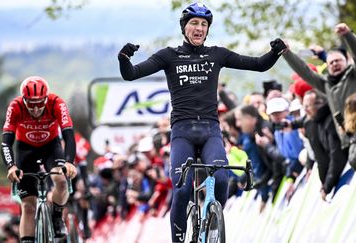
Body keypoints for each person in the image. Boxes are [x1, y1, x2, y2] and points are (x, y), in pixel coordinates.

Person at [117, 2, 287, 242]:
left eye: (203, 24)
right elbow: (131, 73)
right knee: (183, 188)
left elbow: (258, 65)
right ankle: (178, 238)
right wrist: (124, 57)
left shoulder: (217, 54)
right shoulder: (168, 55)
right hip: (182, 132)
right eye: (194, 23)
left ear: (208, 30)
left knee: (220, 179)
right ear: (184, 27)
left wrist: (275, 52)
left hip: (210, 130)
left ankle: (212, 224)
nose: (199, 28)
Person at [0, 76, 77, 242]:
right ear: (24, 100)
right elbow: (6, 143)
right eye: (31, 104)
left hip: (51, 146)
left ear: (46, 99)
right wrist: (11, 166)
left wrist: (69, 162)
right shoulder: (15, 106)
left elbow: (69, 136)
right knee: (28, 206)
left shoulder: (57, 103)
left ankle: (57, 215)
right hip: (25, 149)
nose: (35, 109)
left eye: (40, 104)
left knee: (61, 179)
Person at [283, 23, 356, 149]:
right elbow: (306, 72)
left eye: (338, 60)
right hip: (349, 141)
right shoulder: (327, 85)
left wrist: (348, 35)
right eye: (331, 62)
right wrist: (287, 53)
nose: (334, 63)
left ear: (346, 61)